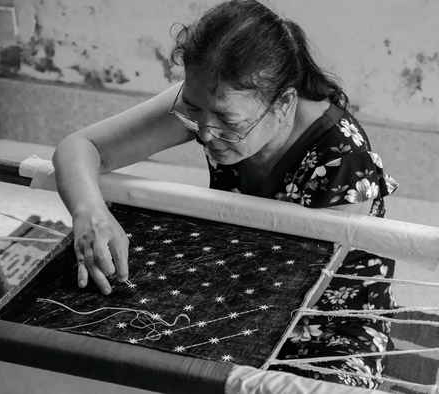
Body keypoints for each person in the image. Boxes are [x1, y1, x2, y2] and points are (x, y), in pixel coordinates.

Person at [53, 0, 399, 388]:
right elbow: (81, 147)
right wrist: (90, 213)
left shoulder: (344, 161)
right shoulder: (214, 103)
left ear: (283, 103)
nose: (203, 133)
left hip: (321, 329)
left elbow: (281, 304)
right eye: (193, 110)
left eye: (226, 122)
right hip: (234, 289)